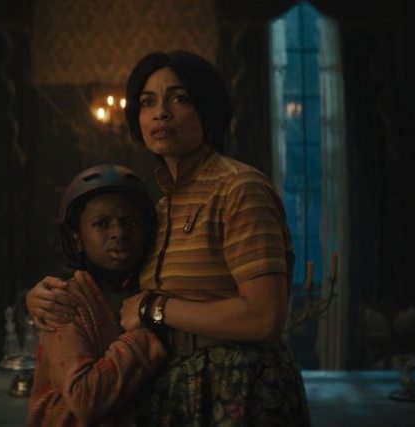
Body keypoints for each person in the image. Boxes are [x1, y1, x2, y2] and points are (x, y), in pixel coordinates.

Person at [27, 50, 310, 426]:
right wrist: (42, 298)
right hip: (174, 389)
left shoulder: (239, 188)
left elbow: (265, 316)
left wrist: (155, 309)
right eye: (148, 102)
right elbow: (119, 285)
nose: (160, 113)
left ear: (207, 110)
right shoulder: (160, 209)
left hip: (240, 386)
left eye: (179, 98)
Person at [27, 164, 168, 427]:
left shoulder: (154, 290)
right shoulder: (64, 301)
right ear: (77, 239)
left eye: (130, 223)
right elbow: (84, 398)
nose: (119, 233)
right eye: (102, 223)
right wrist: (144, 334)